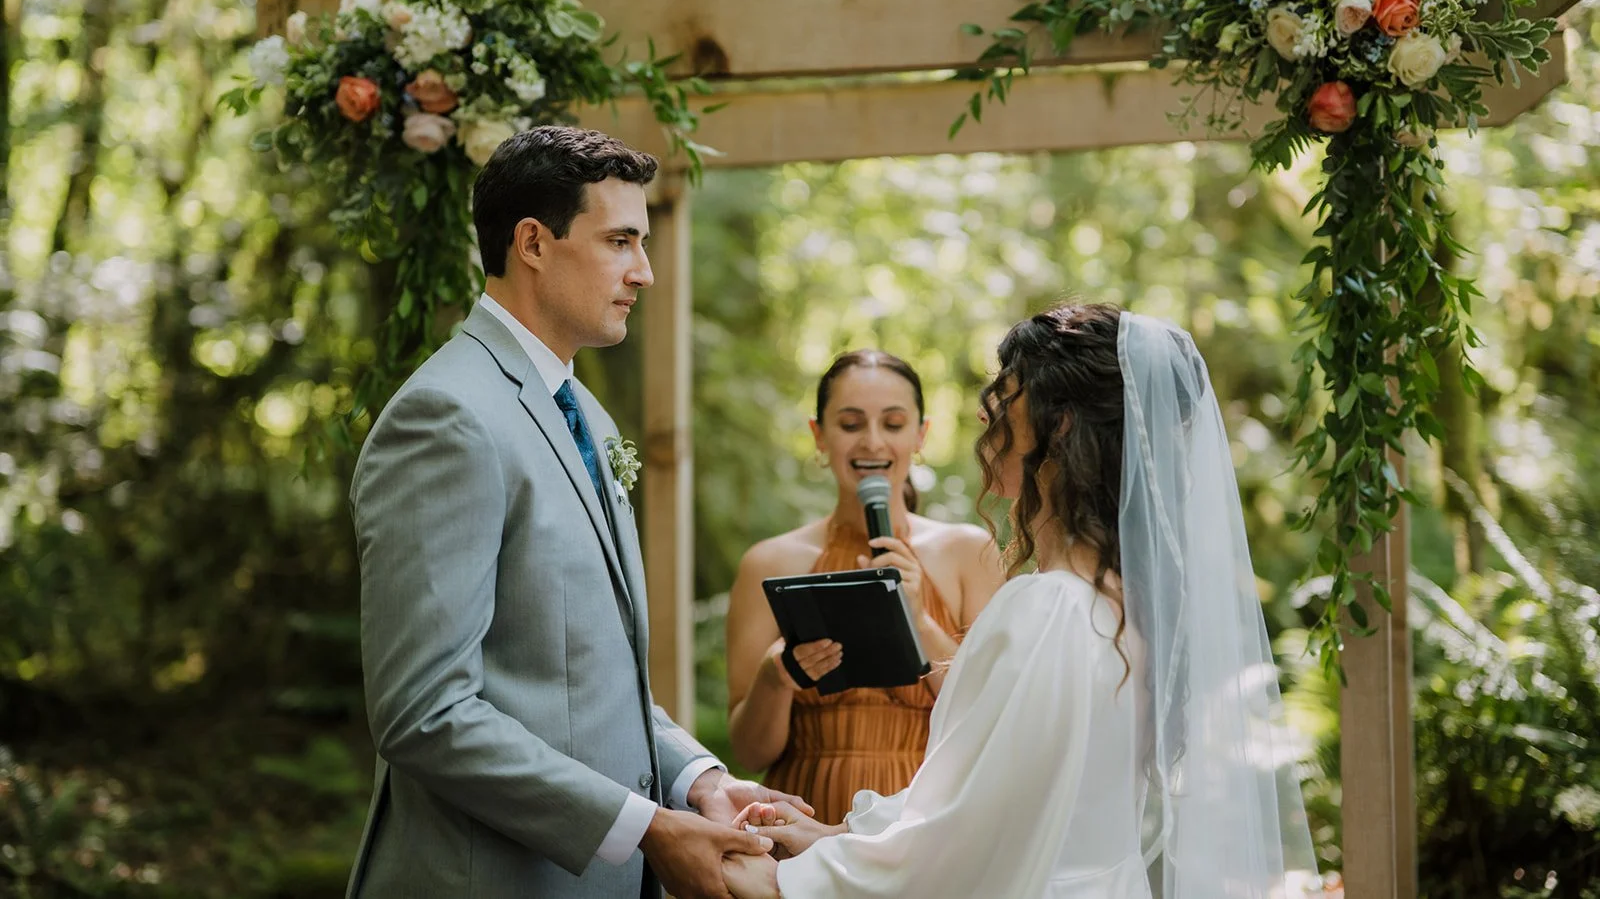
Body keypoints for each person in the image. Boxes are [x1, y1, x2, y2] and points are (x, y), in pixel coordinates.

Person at [720, 304, 1322, 898]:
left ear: (1059, 426)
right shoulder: (1122, 606)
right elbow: (994, 795)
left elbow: (968, 839)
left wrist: (783, 881)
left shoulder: (1048, 609)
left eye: (1005, 397)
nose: (988, 413)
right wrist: (835, 835)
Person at [346, 126, 807, 899]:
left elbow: (587, 679)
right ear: (533, 242)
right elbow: (424, 712)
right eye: (621, 241)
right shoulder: (445, 417)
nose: (646, 272)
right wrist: (648, 826)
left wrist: (696, 780)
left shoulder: (582, 410)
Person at [724, 350, 1006, 826]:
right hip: (803, 818)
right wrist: (775, 677)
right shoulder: (768, 564)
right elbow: (751, 754)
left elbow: (995, 721)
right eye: (851, 424)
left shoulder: (969, 553)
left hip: (924, 828)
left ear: (920, 436)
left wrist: (918, 617)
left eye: (893, 424)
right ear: (819, 436)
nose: (873, 442)